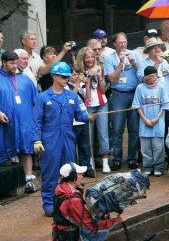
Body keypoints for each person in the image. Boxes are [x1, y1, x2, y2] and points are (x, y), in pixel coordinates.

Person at [51, 162, 125, 241]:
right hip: (70, 239)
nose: (82, 176)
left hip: (62, 234)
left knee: (103, 231)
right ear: (71, 177)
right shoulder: (72, 199)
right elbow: (90, 224)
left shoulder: (61, 188)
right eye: (79, 174)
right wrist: (114, 221)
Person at [36, 62, 89, 217]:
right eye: (63, 76)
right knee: (50, 172)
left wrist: (88, 116)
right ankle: (49, 204)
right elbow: (36, 121)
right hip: (50, 138)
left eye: (67, 76)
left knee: (70, 171)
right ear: (54, 76)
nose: (66, 79)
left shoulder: (72, 96)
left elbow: (80, 115)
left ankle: (69, 201)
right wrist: (36, 140)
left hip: (67, 136)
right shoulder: (43, 97)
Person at [0, 50, 41, 193]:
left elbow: (36, 100)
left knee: (26, 149)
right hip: (4, 124)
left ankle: (29, 180)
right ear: (4, 62)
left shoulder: (24, 78)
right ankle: (5, 185)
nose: (15, 66)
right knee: (4, 151)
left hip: (24, 122)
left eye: (16, 63)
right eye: (11, 63)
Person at [104, 33, 140, 170]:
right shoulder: (109, 58)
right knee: (117, 129)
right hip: (119, 94)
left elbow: (142, 72)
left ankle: (132, 159)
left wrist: (133, 63)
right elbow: (112, 79)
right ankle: (117, 160)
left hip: (134, 92)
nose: (123, 45)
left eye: (125, 42)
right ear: (115, 44)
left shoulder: (134, 54)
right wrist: (120, 63)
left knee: (134, 128)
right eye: (120, 43)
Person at [74, 46, 111, 174]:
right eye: (87, 57)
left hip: (102, 103)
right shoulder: (79, 73)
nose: (90, 59)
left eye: (91, 57)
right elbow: (87, 96)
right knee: (88, 134)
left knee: (103, 133)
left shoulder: (99, 68)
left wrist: (99, 76)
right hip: (88, 105)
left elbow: (103, 90)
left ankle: (105, 161)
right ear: (82, 59)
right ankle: (90, 162)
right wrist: (88, 79)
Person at [132, 65, 169, 177]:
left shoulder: (161, 87)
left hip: (158, 122)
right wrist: (144, 119)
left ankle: (158, 166)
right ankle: (148, 167)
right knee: (146, 147)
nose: (155, 77)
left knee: (158, 147)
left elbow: (165, 105)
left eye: (156, 75)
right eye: (152, 75)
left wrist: (157, 118)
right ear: (147, 77)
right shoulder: (140, 88)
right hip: (144, 122)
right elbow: (137, 105)